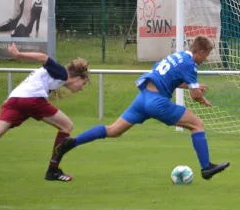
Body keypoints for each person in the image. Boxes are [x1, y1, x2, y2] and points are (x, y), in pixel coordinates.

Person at [54, 35, 230, 180]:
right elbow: (194, 96)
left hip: (143, 98)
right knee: (197, 124)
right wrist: (202, 99)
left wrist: (192, 87)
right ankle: (206, 168)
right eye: (206, 55)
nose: (205, 59)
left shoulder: (177, 56)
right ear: (200, 51)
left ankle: (72, 142)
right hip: (157, 102)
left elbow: (168, 78)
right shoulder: (190, 64)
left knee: (113, 130)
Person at [0, 43, 89, 181]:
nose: (81, 88)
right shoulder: (62, 73)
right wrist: (18, 55)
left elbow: (26, 83)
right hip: (32, 100)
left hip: (15, 99)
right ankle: (53, 170)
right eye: (82, 84)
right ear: (76, 78)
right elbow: (44, 58)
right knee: (67, 126)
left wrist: (9, 99)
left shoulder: (49, 76)